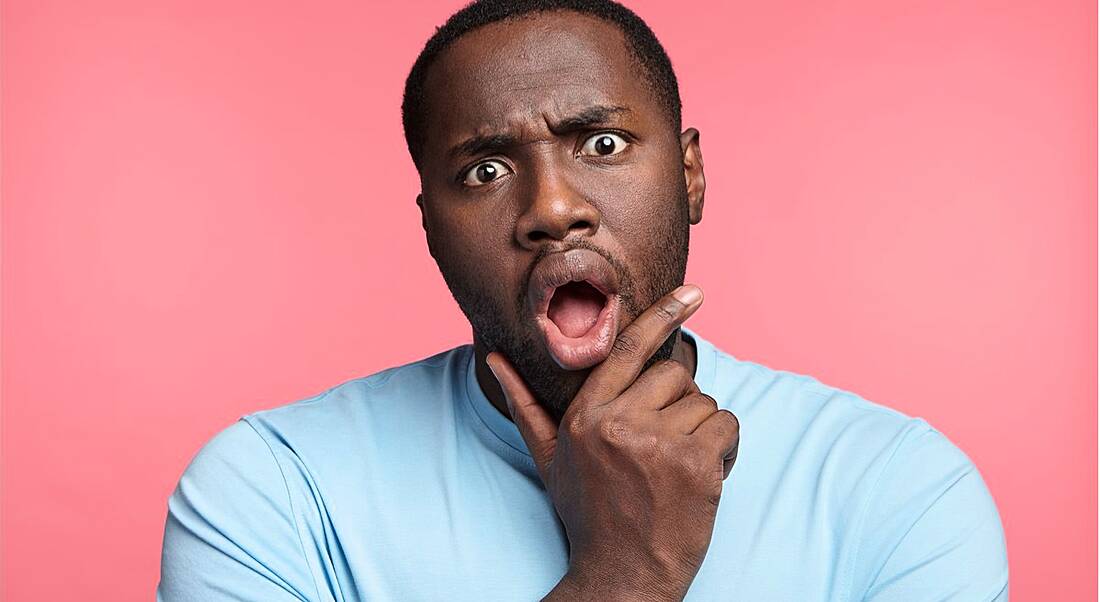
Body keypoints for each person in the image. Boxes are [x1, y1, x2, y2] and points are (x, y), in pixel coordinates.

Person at [156, 0, 1009, 599]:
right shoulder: (274, 491)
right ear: (429, 226)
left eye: (602, 142)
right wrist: (621, 580)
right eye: (485, 170)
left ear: (689, 176)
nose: (553, 208)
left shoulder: (896, 487)